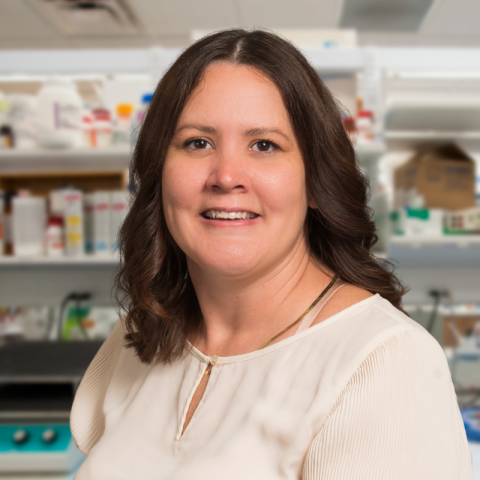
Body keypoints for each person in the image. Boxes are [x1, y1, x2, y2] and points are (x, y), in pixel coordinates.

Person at [70, 29, 472, 479]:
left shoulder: (383, 362)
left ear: (316, 183)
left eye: (264, 145)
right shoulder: (140, 335)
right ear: (158, 173)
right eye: (197, 142)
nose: (226, 176)